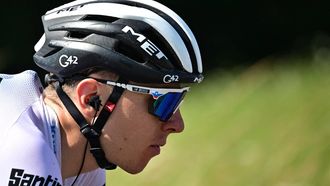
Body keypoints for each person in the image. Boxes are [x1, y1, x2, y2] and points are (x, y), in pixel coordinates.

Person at [0, 0, 203, 185]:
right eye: (165, 102)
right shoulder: (23, 146)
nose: (177, 125)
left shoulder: (84, 163)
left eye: (179, 101)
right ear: (91, 99)